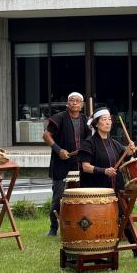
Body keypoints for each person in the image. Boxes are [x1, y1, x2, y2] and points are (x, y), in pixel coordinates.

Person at [78, 107, 137, 252]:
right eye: (104, 119)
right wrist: (103, 171)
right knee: (99, 221)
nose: (108, 122)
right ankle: (96, 248)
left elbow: (126, 158)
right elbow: (85, 167)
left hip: (116, 187)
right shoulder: (88, 144)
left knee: (125, 217)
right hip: (97, 190)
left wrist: (129, 151)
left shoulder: (115, 143)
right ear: (96, 123)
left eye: (109, 119)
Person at [43, 92, 90, 236]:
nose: (74, 103)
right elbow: (46, 135)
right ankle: (53, 227)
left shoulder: (85, 120)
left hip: (79, 161)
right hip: (60, 161)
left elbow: (89, 138)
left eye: (77, 101)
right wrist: (58, 150)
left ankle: (81, 224)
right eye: (71, 100)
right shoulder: (59, 117)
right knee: (58, 196)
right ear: (67, 104)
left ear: (82, 105)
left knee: (83, 194)